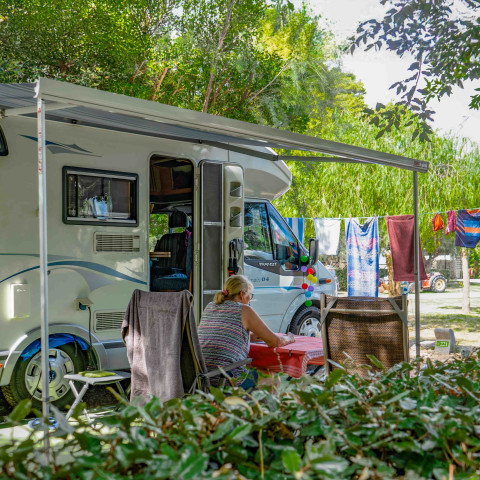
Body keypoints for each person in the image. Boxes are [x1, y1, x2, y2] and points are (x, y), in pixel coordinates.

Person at [198, 275, 295, 389]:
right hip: (224, 377)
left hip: (201, 376)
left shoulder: (210, 306)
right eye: (250, 295)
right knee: (272, 378)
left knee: (252, 368)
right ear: (242, 294)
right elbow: (275, 342)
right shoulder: (244, 310)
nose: (250, 299)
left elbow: (220, 332)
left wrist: (248, 336)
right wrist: (289, 337)